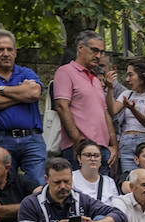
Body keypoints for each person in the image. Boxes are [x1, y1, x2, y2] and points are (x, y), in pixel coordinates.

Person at [0, 29, 45, 184]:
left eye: (9, 49)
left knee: (38, 184)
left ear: (15, 52)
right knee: (2, 185)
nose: (5, 53)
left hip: (32, 139)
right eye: (0, 49)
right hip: (1, 138)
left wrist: (1, 90)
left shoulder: (27, 72)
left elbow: (34, 94)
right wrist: (22, 95)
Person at [53, 31, 117, 168]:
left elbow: (104, 112)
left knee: (103, 189)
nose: (98, 56)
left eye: (101, 52)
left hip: (103, 149)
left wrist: (114, 146)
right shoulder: (65, 71)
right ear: (80, 48)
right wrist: (77, 140)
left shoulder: (95, 79)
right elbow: (61, 107)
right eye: (94, 50)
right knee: (79, 189)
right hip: (80, 148)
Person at [71, 138, 119, 203]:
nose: (92, 159)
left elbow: (116, 208)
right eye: (88, 155)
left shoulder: (109, 182)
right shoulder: (70, 178)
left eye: (96, 156)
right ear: (79, 158)